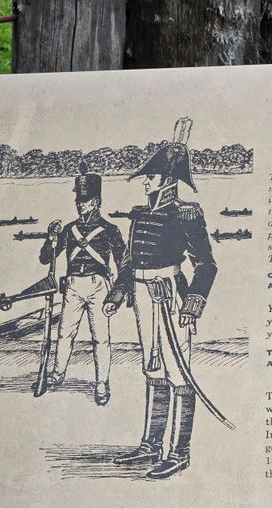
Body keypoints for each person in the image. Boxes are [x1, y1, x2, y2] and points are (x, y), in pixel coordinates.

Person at [103, 141, 217, 479]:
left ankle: (179, 452)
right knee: (153, 370)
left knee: (179, 374)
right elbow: (128, 262)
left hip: (170, 298)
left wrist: (194, 302)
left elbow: (206, 264)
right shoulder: (138, 216)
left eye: (150, 177)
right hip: (140, 295)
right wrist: (119, 291)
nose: (144, 182)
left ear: (167, 181)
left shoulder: (186, 214)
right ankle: (151, 445)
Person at [40, 162, 127, 405]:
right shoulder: (69, 230)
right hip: (73, 286)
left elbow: (124, 263)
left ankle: (101, 382)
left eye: (85, 200)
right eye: (79, 199)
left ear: (96, 202)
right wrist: (51, 238)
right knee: (65, 334)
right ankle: (58, 373)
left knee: (101, 338)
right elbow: (46, 258)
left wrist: (118, 294)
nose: (80, 204)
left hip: (98, 286)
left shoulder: (110, 230)